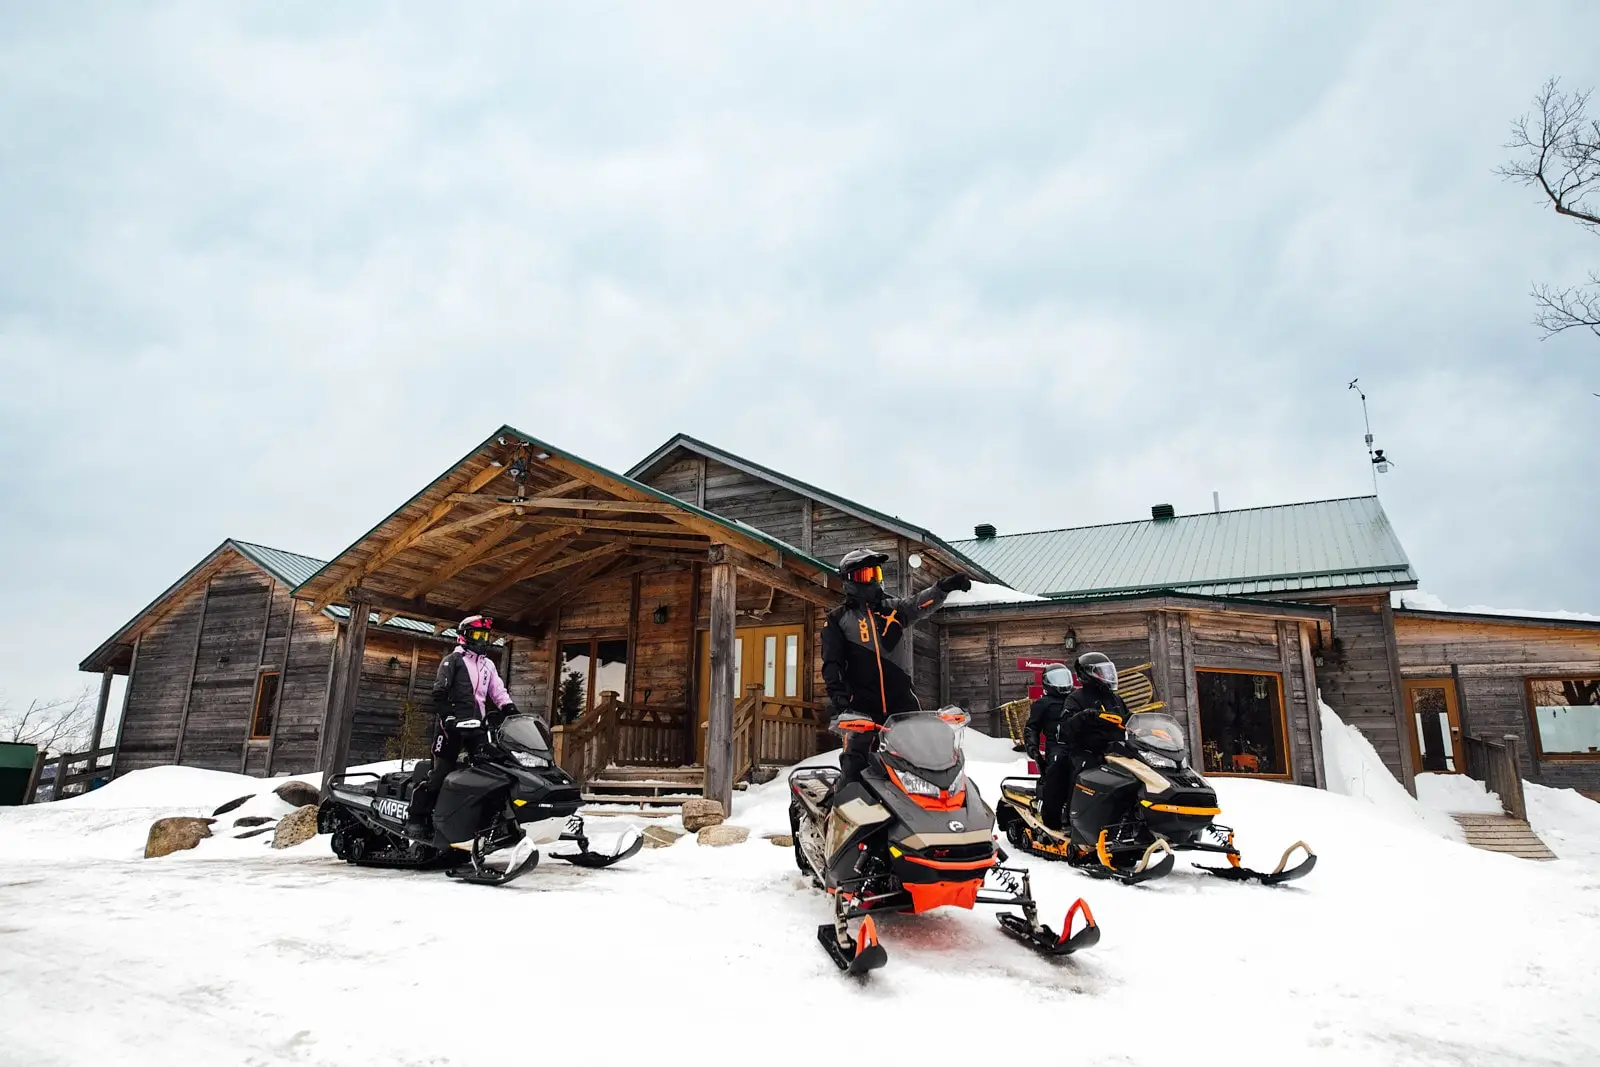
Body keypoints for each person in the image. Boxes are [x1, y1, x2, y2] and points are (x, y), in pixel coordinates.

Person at [823, 548, 972, 789]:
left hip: (903, 705)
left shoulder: (893, 609)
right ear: (850, 580)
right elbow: (832, 664)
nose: (873, 580)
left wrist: (943, 587)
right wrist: (841, 704)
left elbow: (919, 604)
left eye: (876, 573)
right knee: (854, 774)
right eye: (866, 575)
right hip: (862, 710)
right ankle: (837, 817)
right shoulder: (838, 618)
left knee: (924, 766)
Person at [405, 614, 521, 836]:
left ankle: (489, 820)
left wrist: (510, 710)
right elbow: (439, 693)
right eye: (477, 634)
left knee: (491, 770)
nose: (482, 640)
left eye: (485, 635)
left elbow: (498, 692)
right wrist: (448, 715)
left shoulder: (488, 665)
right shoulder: (453, 661)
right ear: (465, 636)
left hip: (478, 728)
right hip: (452, 728)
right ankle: (417, 816)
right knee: (441, 772)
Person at [1051, 652, 1130, 837]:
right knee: (1086, 768)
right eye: (1101, 672)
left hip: (1115, 749)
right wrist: (1085, 715)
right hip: (1085, 749)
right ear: (1088, 674)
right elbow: (1064, 727)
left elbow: (1129, 718)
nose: (1107, 677)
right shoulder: (1076, 698)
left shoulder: (1115, 699)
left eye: (1108, 672)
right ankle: (1071, 818)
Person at [1023, 665, 1079, 832]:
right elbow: (1031, 727)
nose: (1062, 684)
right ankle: (1052, 818)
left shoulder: (1076, 699)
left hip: (1079, 746)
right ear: (1047, 682)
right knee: (1057, 771)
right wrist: (1032, 748)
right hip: (1057, 748)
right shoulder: (1042, 704)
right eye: (1057, 679)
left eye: (1064, 678)